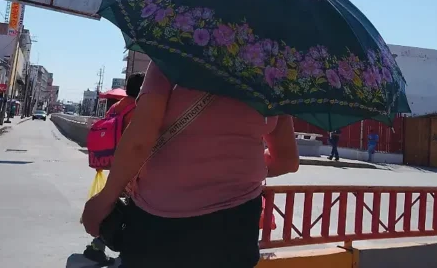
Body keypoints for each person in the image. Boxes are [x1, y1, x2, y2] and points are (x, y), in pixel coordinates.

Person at [81, 62, 300, 268]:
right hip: (237, 227)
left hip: (159, 222)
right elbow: (287, 161)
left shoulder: (173, 51)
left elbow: (139, 143)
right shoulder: (273, 72)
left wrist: (105, 199)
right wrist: (239, 169)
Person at [83, 73, 145, 267]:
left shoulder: (117, 106)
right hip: (132, 168)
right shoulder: (138, 109)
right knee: (134, 211)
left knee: (115, 207)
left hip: (115, 164)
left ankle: (97, 246)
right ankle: (123, 255)